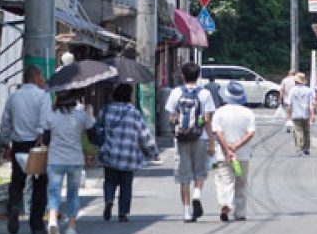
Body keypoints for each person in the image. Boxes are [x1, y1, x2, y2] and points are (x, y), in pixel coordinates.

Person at [0, 65, 52, 234]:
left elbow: (6, 121)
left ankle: (14, 207)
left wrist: (6, 140)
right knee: (40, 183)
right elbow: (45, 121)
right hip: (36, 144)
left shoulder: (13, 97)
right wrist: (40, 135)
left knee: (17, 181)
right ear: (36, 77)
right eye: (42, 76)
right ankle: (36, 224)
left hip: (18, 143)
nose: (43, 80)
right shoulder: (43, 96)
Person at [97, 83, 160, 222]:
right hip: (128, 155)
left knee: (109, 181)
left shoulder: (106, 110)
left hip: (109, 153)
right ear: (129, 96)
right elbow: (144, 135)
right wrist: (153, 152)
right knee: (126, 185)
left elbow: (98, 129)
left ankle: (108, 200)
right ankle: (123, 213)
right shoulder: (134, 113)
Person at [165, 62, 217, 222]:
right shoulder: (205, 94)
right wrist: (211, 141)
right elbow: (207, 119)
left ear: (183, 76)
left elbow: (171, 117)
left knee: (184, 175)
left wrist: (177, 130)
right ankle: (197, 194)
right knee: (200, 172)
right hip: (200, 137)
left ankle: (187, 212)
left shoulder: (175, 92)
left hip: (181, 138)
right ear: (198, 76)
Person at [45, 90, 95, 234]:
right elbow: (92, 135)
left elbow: (46, 139)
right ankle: (71, 227)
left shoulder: (51, 115)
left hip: (55, 160)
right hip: (75, 160)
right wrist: (88, 113)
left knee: (54, 192)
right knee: (73, 194)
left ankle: (53, 220)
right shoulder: (81, 115)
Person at [211, 81, 256, 223]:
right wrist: (236, 146)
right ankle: (240, 212)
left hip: (223, 154)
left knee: (224, 180)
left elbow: (218, 133)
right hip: (242, 154)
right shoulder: (248, 113)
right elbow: (250, 133)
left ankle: (225, 203)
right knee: (241, 182)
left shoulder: (219, 112)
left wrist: (227, 149)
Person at [287, 72, 315, 155]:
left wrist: (288, 115)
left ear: (296, 81)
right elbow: (311, 104)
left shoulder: (292, 90)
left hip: (295, 113)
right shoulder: (308, 90)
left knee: (298, 131)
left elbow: (290, 104)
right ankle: (306, 148)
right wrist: (312, 114)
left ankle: (299, 147)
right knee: (306, 131)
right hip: (306, 113)